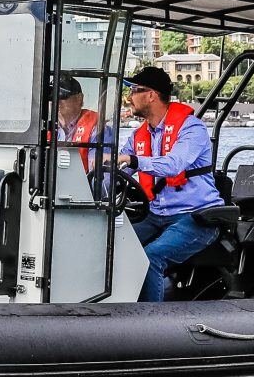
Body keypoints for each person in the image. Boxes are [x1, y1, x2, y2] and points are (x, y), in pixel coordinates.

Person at [117, 64, 223, 301]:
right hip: (154, 214)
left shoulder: (191, 128)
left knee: (151, 256)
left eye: (134, 90)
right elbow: (120, 165)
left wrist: (133, 160)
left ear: (151, 95)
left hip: (196, 216)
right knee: (112, 244)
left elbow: (174, 165)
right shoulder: (138, 135)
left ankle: (150, 326)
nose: (129, 97)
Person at [51, 77, 109, 172]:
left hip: (83, 185)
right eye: (51, 97)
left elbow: (101, 177)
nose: (56, 102)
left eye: (62, 97)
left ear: (79, 99)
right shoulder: (44, 129)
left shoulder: (98, 128)